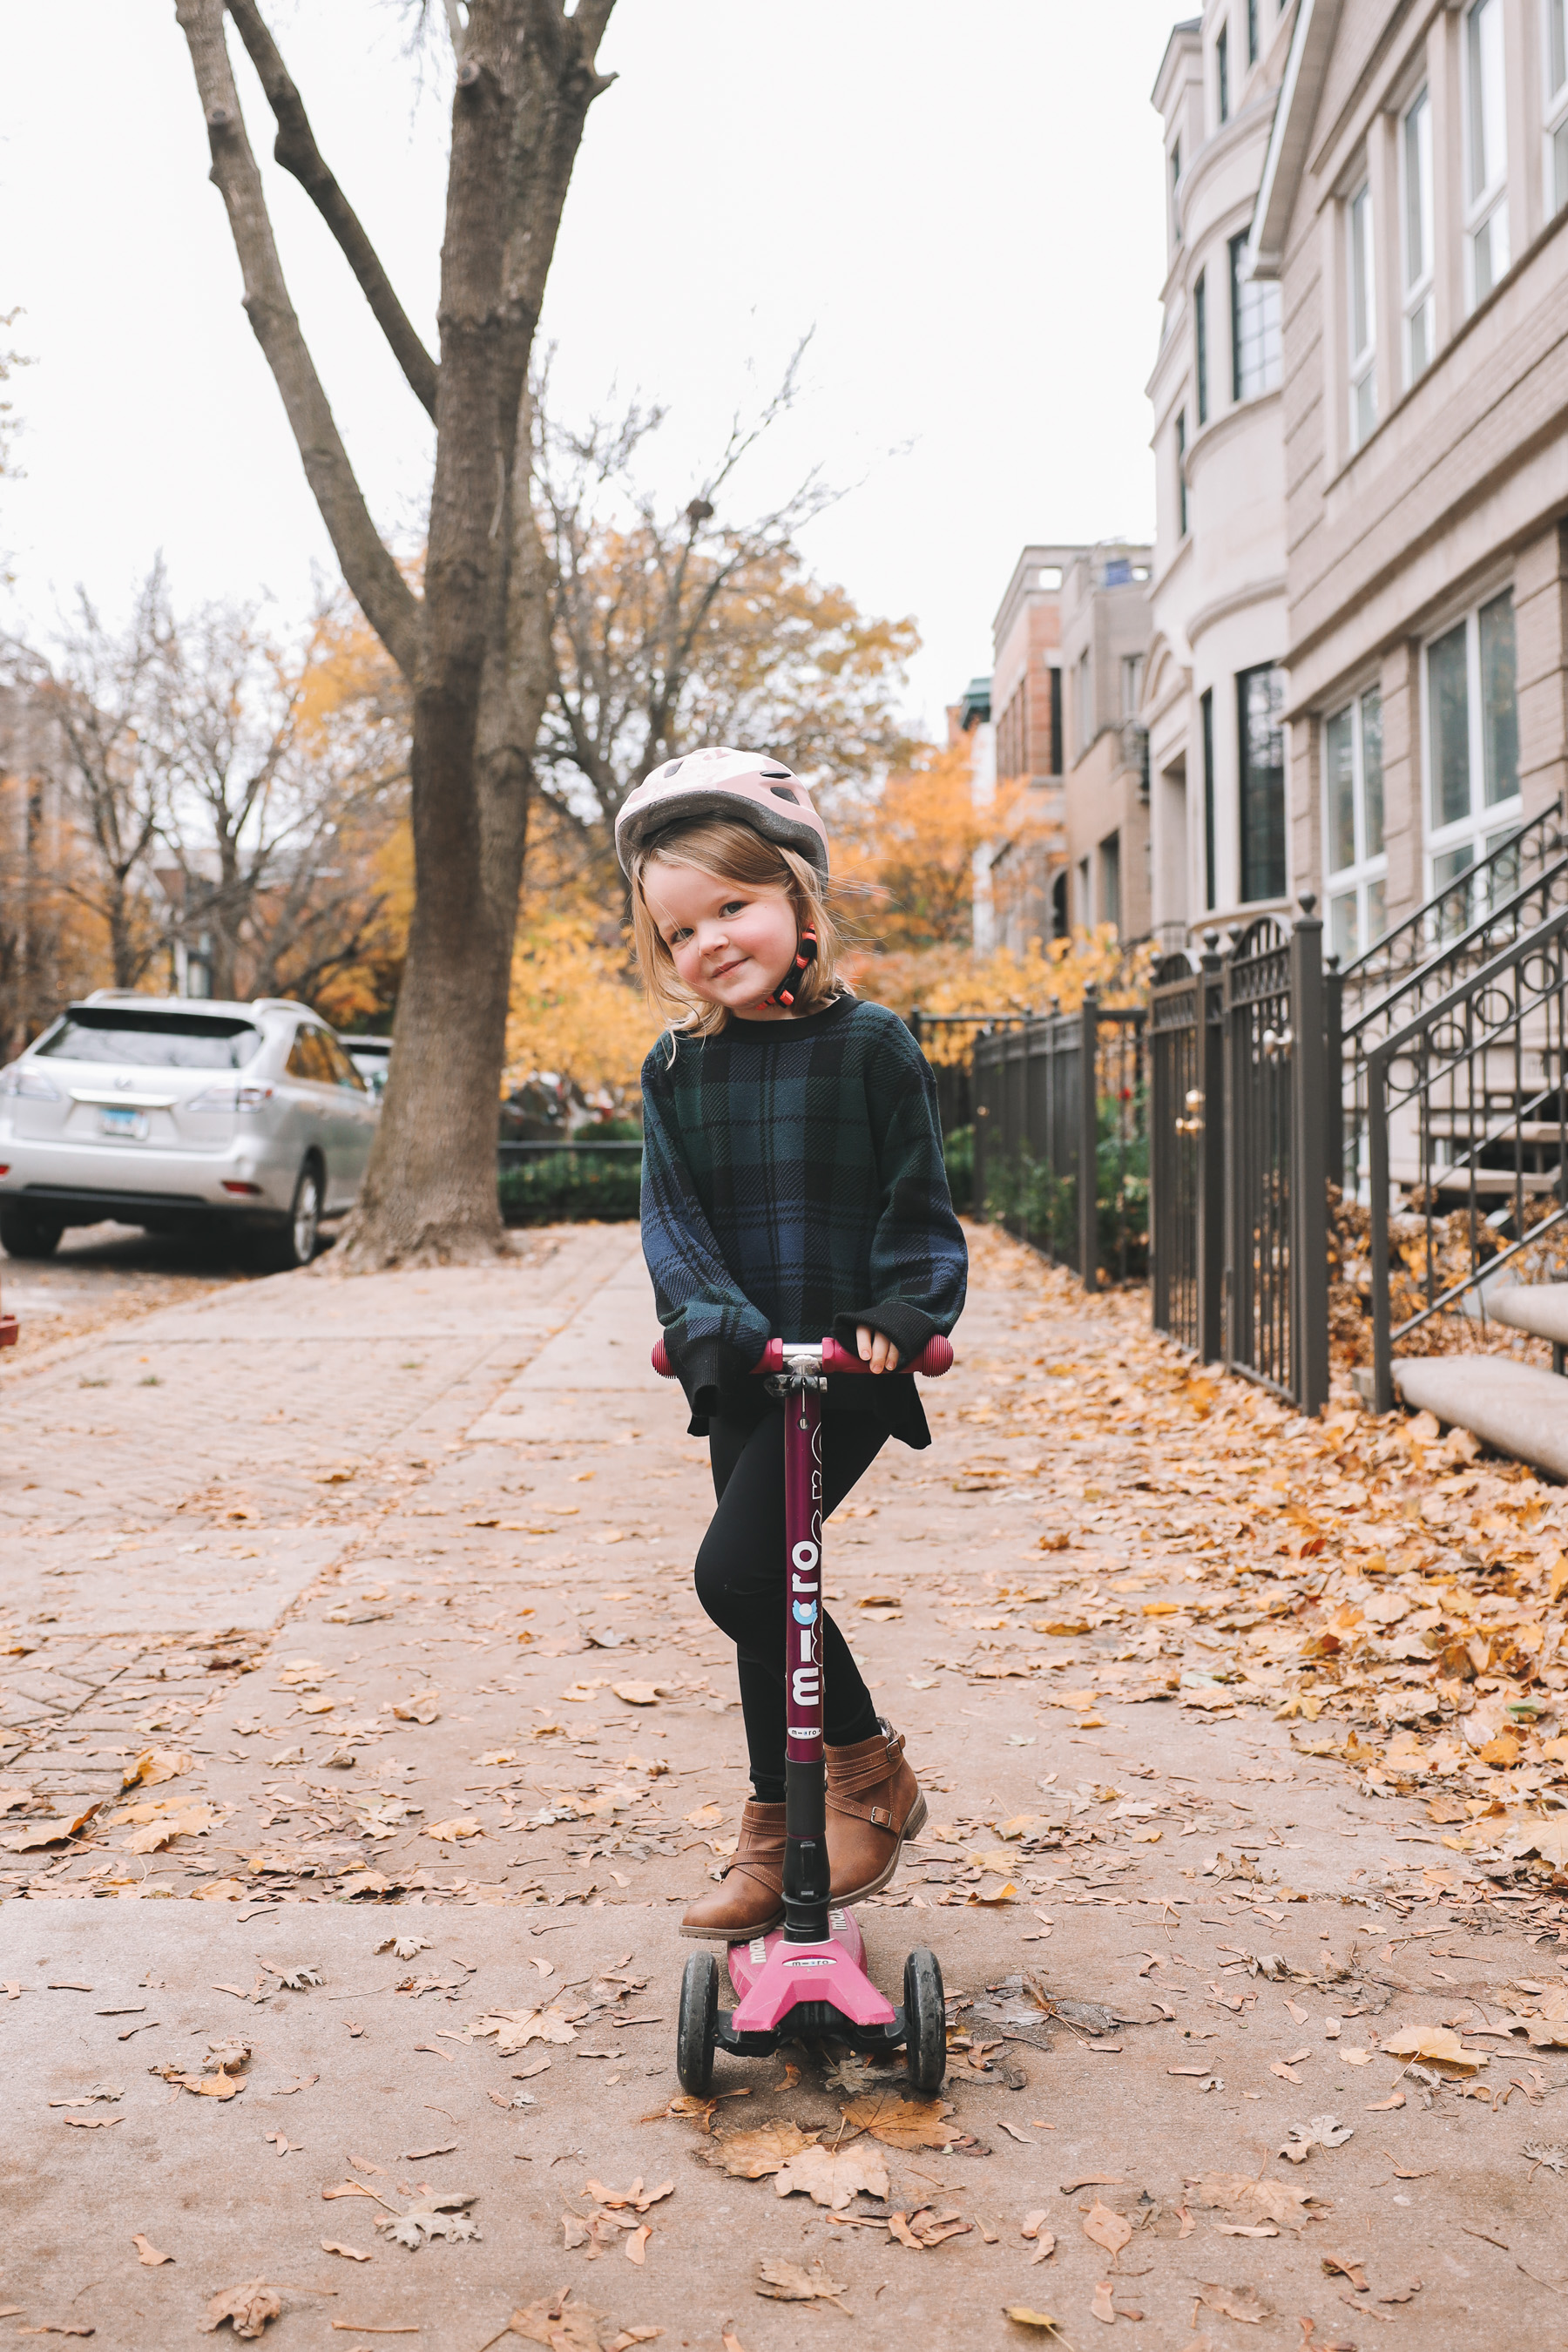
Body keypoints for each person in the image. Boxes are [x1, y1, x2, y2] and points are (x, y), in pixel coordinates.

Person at [618, 745, 968, 1940]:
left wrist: (902, 1311)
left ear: (798, 904)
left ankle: (866, 1773)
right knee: (769, 1599)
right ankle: (780, 1833)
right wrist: (713, 1327)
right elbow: (675, 1223)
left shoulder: (872, 1047)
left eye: (732, 905)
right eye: (679, 930)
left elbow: (917, 1208)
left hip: (852, 1366)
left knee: (743, 1575)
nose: (709, 940)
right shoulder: (679, 1067)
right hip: (748, 1370)